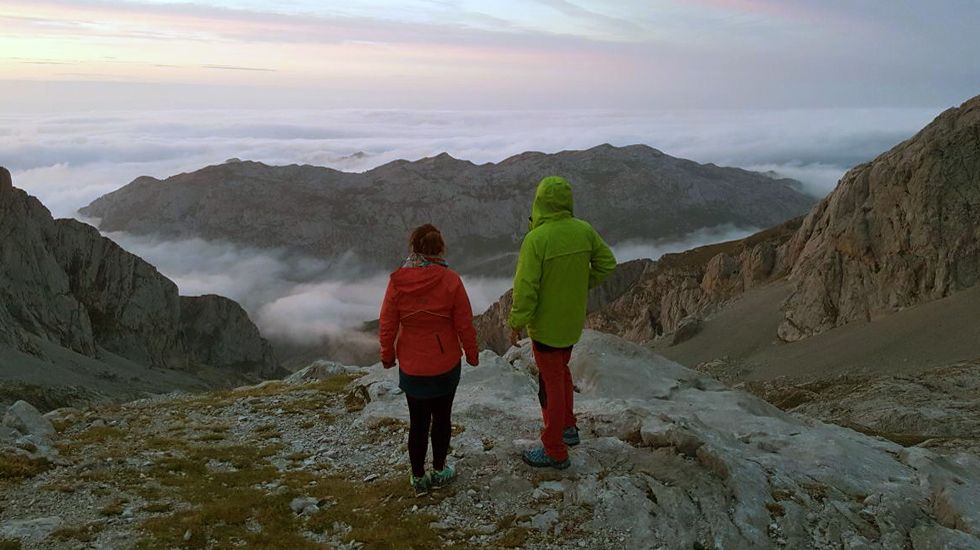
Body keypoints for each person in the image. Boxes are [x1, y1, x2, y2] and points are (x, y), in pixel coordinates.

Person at [508, 176, 617, 469]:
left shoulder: (536, 239)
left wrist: (517, 320)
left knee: (551, 382)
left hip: (546, 326)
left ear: (540, 203)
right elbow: (607, 264)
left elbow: (526, 287)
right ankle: (568, 427)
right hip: (571, 322)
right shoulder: (584, 230)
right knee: (561, 372)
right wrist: (581, 284)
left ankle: (554, 448)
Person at [379, 223, 480, 496]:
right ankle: (439, 469)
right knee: (442, 418)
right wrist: (472, 354)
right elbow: (464, 324)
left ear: (414, 248)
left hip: (412, 365)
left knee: (418, 422)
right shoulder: (451, 280)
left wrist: (387, 356)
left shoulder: (397, 281)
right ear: (440, 248)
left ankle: (418, 477)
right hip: (445, 363)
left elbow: (388, 323)